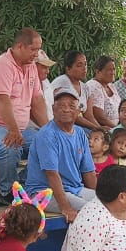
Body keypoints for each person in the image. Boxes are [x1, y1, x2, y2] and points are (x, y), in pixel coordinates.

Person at [0, 29, 50, 202]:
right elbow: (2, 100)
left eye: (38, 49)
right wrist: (13, 130)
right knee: (11, 145)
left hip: (18, 128)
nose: (36, 54)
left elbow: (37, 101)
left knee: (49, 144)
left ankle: (22, 185)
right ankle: (7, 193)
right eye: (33, 49)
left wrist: (50, 130)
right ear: (20, 46)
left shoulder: (31, 67)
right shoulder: (2, 65)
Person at [25, 87, 98, 216]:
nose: (66, 109)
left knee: (109, 204)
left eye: (71, 106)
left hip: (75, 189)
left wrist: (99, 196)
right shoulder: (47, 134)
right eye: (61, 106)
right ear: (53, 109)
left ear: (79, 111)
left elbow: (89, 172)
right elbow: (51, 174)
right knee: (91, 211)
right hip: (45, 193)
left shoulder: (80, 133)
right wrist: (66, 208)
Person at [49, 50, 102, 132]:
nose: (84, 68)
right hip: (63, 127)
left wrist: (101, 131)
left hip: (81, 128)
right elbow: (73, 116)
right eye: (79, 65)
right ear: (68, 69)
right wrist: (97, 128)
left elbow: (89, 116)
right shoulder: (62, 83)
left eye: (85, 64)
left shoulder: (85, 88)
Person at [84, 55, 120, 129]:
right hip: (102, 129)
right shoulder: (93, 86)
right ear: (98, 71)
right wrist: (117, 129)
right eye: (109, 70)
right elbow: (100, 117)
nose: (113, 72)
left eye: (114, 69)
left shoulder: (111, 86)